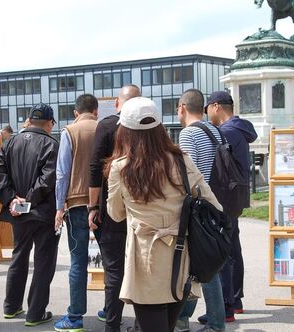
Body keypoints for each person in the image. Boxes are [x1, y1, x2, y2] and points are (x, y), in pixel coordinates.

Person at [106, 96, 222, 332]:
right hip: (180, 260)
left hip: (144, 261)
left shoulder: (121, 168)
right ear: (159, 127)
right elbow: (214, 206)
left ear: (125, 132)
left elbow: (115, 214)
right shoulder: (181, 160)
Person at [0, 103, 59, 326]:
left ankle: (11, 306)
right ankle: (35, 312)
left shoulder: (10, 142)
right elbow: (48, 179)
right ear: (50, 122)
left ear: (29, 120)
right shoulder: (51, 144)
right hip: (43, 211)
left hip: (18, 211)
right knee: (44, 261)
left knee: (19, 255)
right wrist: (28, 201)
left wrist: (13, 200)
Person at [88, 84, 141, 332]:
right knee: (142, 268)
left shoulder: (108, 126)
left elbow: (95, 167)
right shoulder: (150, 128)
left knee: (114, 271)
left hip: (111, 207)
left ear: (118, 104)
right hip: (142, 208)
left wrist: (92, 206)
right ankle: (143, 323)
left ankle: (112, 325)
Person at [175, 89, 226, 332]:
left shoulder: (188, 134)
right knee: (206, 265)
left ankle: (190, 320)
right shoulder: (215, 131)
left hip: (199, 207)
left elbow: (189, 174)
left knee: (197, 267)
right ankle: (200, 320)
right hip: (216, 206)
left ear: (182, 107)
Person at [205, 90, 258, 324]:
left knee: (223, 251)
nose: (207, 113)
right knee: (233, 246)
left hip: (224, 196)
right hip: (237, 196)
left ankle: (226, 306)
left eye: (208, 108)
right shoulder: (241, 130)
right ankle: (235, 301)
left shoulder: (225, 132)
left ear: (216, 106)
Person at [54, 94, 99, 331]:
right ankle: (111, 310)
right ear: (96, 110)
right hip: (104, 203)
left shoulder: (69, 132)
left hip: (77, 203)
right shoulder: (105, 129)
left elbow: (62, 173)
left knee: (78, 261)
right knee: (113, 262)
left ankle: (75, 317)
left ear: (75, 112)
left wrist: (59, 206)